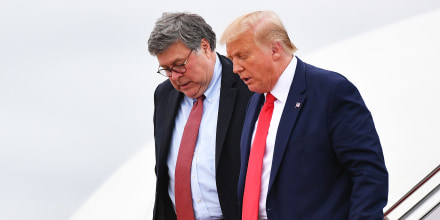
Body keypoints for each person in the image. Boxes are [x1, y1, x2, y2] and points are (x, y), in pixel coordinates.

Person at [220, 10, 388, 219]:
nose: (235, 68)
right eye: (231, 59)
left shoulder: (331, 91)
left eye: (243, 56)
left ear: (275, 49)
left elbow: (369, 174)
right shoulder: (256, 100)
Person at [148, 12, 253, 220]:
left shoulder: (248, 86)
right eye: (167, 69)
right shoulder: (164, 95)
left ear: (205, 47)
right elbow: (163, 173)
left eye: (180, 64)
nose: (175, 77)